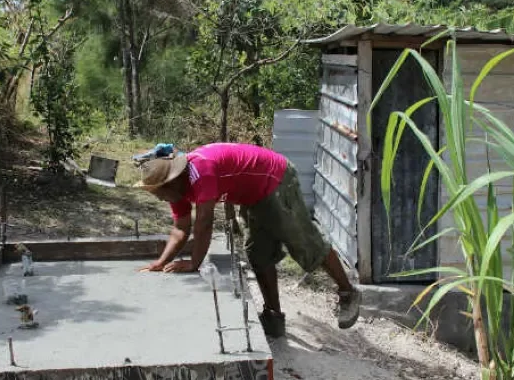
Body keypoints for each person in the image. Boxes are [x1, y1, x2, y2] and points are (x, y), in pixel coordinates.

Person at [133, 142, 361, 337]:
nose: (161, 199)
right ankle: (273, 317)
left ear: (171, 182)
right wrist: (160, 262)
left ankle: (348, 292)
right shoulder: (177, 188)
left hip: (275, 178)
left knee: (303, 241)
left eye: (160, 194)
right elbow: (180, 229)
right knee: (258, 253)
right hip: (252, 195)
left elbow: (204, 223)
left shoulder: (201, 172)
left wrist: (194, 263)